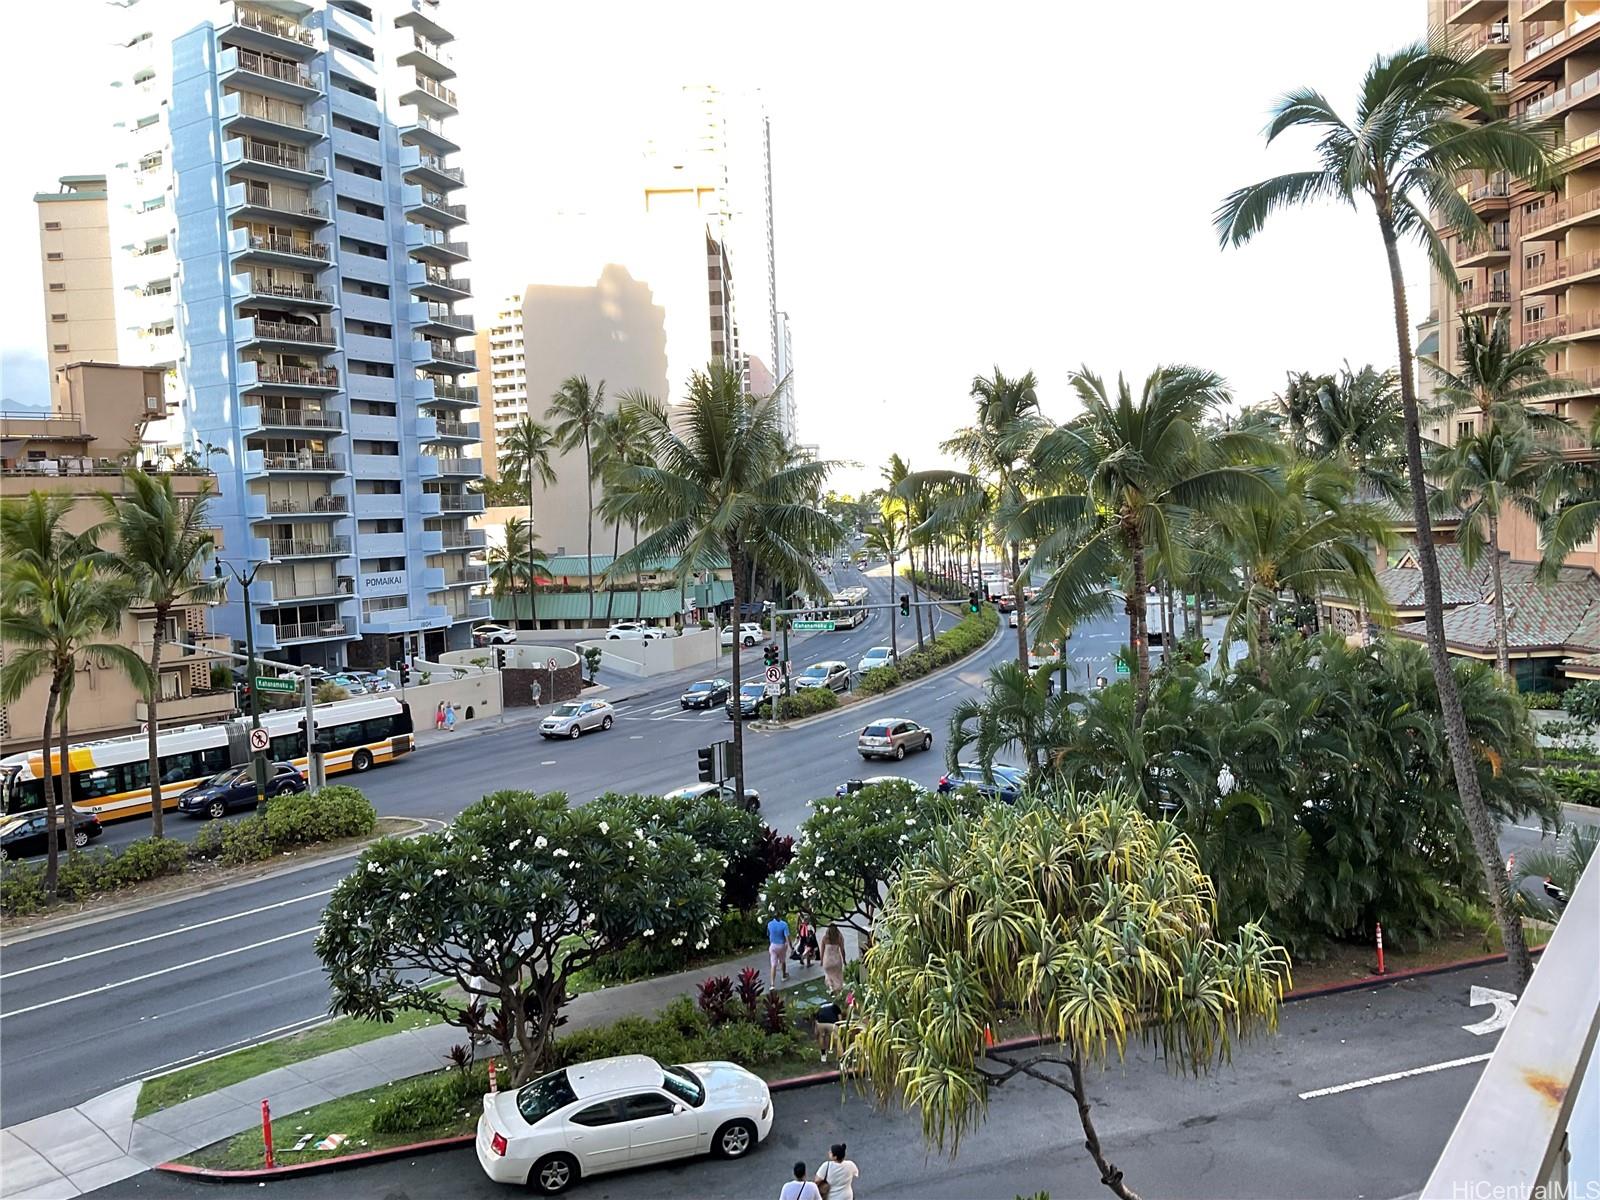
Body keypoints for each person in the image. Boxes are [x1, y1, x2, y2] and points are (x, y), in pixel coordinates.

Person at [766, 911, 791, 988]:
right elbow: (787, 937)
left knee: (773, 965)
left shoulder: (769, 924)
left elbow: (768, 934)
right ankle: (783, 976)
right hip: (781, 946)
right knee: (783, 961)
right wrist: (790, 946)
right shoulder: (784, 924)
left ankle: (772, 984)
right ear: (780, 916)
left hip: (773, 946)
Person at [820, 923, 847, 993]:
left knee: (829, 976)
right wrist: (844, 960)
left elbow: (822, 951)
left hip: (827, 962)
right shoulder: (839, 938)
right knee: (838, 977)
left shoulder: (825, 938)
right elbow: (842, 950)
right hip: (836, 961)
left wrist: (821, 961)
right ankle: (838, 992)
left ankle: (831, 988)